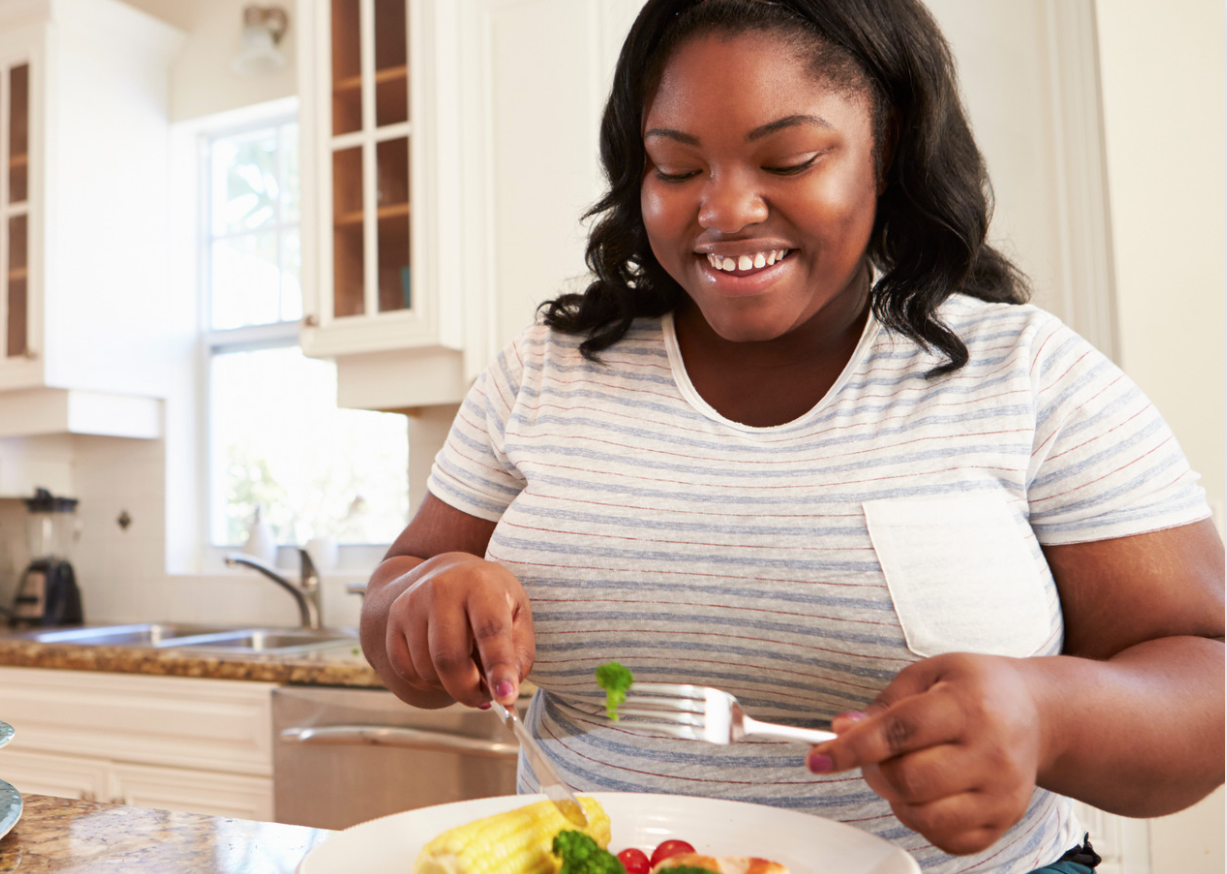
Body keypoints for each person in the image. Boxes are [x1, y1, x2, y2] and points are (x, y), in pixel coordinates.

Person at [358, 0, 1225, 872]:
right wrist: (425, 597)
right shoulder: (542, 375)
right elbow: (396, 593)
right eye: (675, 167)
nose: (725, 210)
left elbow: (1205, 678)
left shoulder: (1029, 375)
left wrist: (1048, 715)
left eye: (790, 159)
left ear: (891, 152)